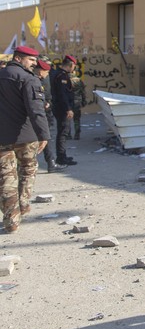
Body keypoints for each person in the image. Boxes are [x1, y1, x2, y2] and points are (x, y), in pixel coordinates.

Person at [0, 46, 50, 233]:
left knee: (6, 178)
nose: (34, 64)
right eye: (31, 60)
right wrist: (44, 134)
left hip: (2, 137)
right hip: (26, 136)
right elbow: (36, 110)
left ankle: (11, 220)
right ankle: (23, 204)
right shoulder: (29, 79)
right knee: (28, 171)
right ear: (19, 59)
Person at [33, 59, 65, 172]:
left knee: (45, 138)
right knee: (39, 138)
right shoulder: (31, 79)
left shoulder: (43, 78)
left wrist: (48, 103)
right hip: (36, 114)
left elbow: (48, 94)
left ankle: (51, 162)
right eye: (46, 72)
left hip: (44, 111)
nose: (47, 75)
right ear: (41, 71)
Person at [51, 55, 77, 166]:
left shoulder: (57, 73)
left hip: (59, 107)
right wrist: (68, 109)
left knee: (63, 132)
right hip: (62, 108)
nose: (74, 69)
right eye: (74, 66)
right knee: (63, 133)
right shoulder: (62, 76)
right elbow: (62, 95)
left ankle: (63, 155)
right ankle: (61, 158)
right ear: (71, 65)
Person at [69, 70, 86, 140]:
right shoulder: (79, 80)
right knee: (76, 119)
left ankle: (68, 134)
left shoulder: (67, 80)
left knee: (67, 119)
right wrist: (84, 101)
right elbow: (83, 92)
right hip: (77, 101)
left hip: (69, 101)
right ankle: (77, 134)